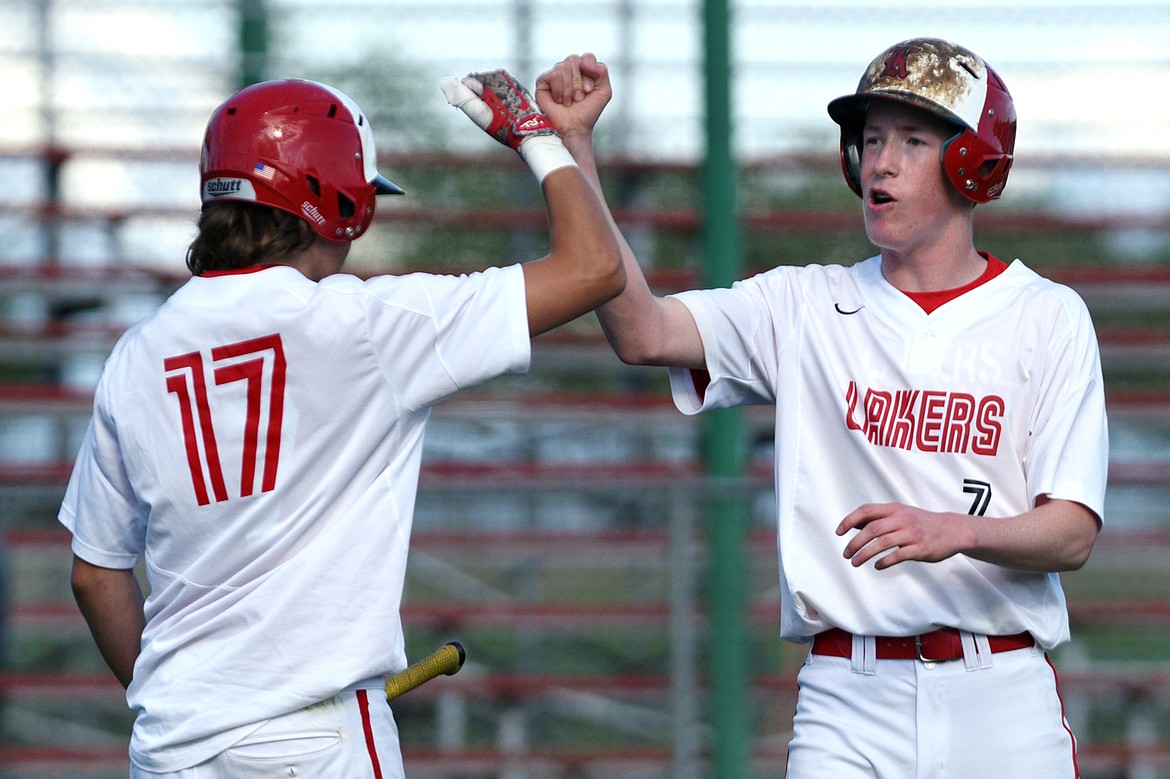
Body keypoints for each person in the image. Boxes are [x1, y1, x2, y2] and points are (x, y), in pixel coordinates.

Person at [537, 39, 1107, 777]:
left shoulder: (1046, 316)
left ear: (975, 162)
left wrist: (954, 530)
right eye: (870, 139)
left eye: (912, 140)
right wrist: (573, 149)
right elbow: (643, 332)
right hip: (847, 695)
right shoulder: (803, 303)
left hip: (999, 695)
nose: (880, 162)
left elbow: (1071, 535)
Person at [60, 71, 622, 778]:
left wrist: (192, 704)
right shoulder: (360, 325)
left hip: (171, 748)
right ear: (337, 206)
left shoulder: (134, 355)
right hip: (316, 743)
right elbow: (595, 267)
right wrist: (539, 139)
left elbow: (95, 575)